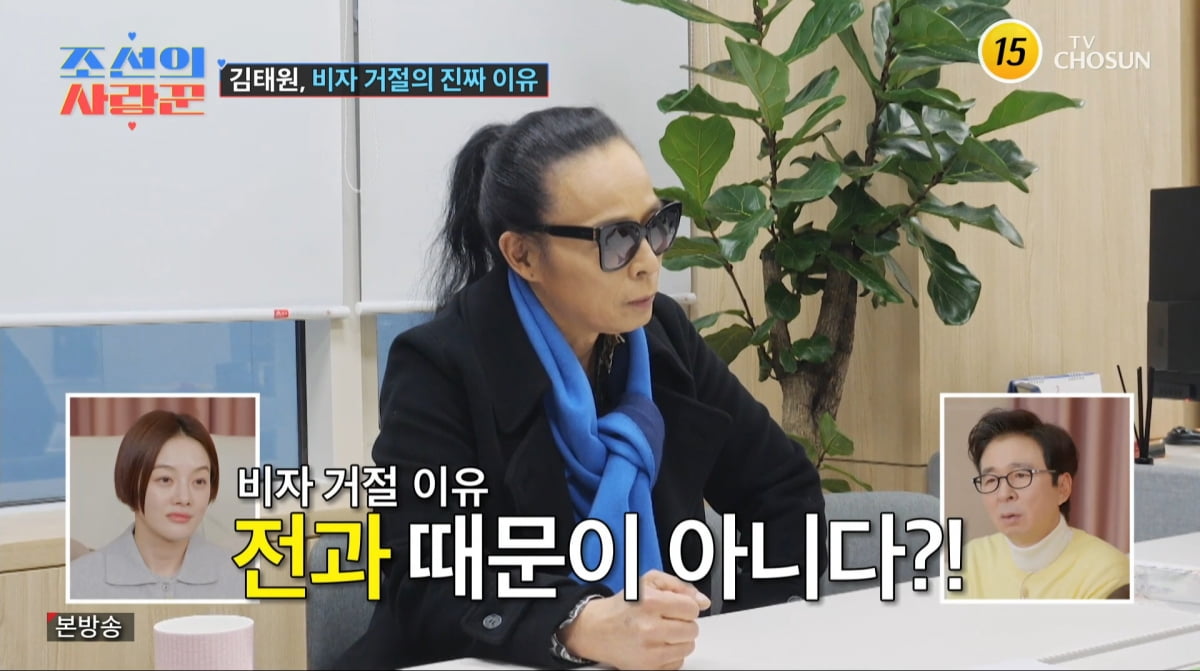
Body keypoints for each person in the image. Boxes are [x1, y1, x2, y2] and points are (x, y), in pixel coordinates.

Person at [338, 106, 828, 670]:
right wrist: (577, 623)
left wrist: (729, 633)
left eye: (655, 226)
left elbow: (782, 492)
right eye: (617, 238)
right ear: (523, 255)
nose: (648, 263)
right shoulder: (438, 365)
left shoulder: (663, 335)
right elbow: (421, 576)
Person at [951, 408, 1129, 600]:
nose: (1004, 494)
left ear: (1062, 488)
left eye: (1021, 475)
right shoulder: (969, 559)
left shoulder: (1106, 574)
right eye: (991, 480)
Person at [70, 409, 244, 600]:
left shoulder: (239, 578)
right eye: (165, 479)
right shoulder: (78, 581)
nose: (184, 498)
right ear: (131, 480)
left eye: (199, 481)